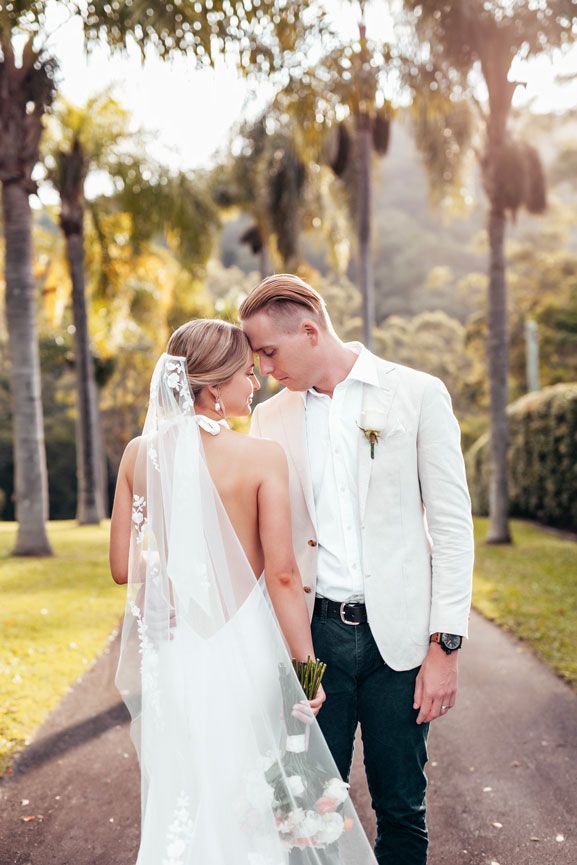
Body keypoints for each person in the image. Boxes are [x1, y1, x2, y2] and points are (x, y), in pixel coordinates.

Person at [109, 319, 377, 865]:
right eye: (245, 374)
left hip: (182, 652)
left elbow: (121, 567)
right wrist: (307, 671)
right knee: (251, 789)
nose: (256, 384)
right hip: (249, 649)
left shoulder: (140, 454)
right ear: (211, 389)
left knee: (189, 786)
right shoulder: (260, 458)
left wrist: (175, 584)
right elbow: (281, 575)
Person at [240, 274, 475, 865]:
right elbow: (263, 545)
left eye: (269, 351)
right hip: (311, 642)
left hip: (399, 645)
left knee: (402, 810)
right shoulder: (269, 421)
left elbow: (451, 527)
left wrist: (445, 645)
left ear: (311, 330)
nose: (264, 368)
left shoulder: (417, 394)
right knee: (310, 815)